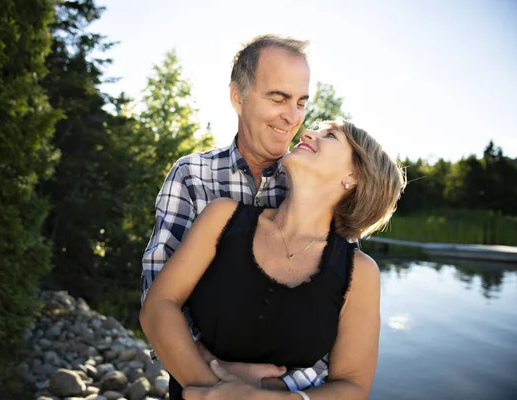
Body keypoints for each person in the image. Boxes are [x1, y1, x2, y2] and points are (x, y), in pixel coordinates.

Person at [140, 119, 406, 400]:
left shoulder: (360, 273)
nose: (307, 133)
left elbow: (353, 385)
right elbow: (159, 305)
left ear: (354, 176)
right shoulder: (222, 218)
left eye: (329, 135)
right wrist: (212, 391)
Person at [141, 34, 328, 392]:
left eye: (301, 102)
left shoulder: (319, 185)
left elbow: (337, 316)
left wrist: (275, 389)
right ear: (237, 97)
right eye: (279, 98)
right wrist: (216, 377)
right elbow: (158, 293)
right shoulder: (191, 176)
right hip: (194, 383)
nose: (292, 117)